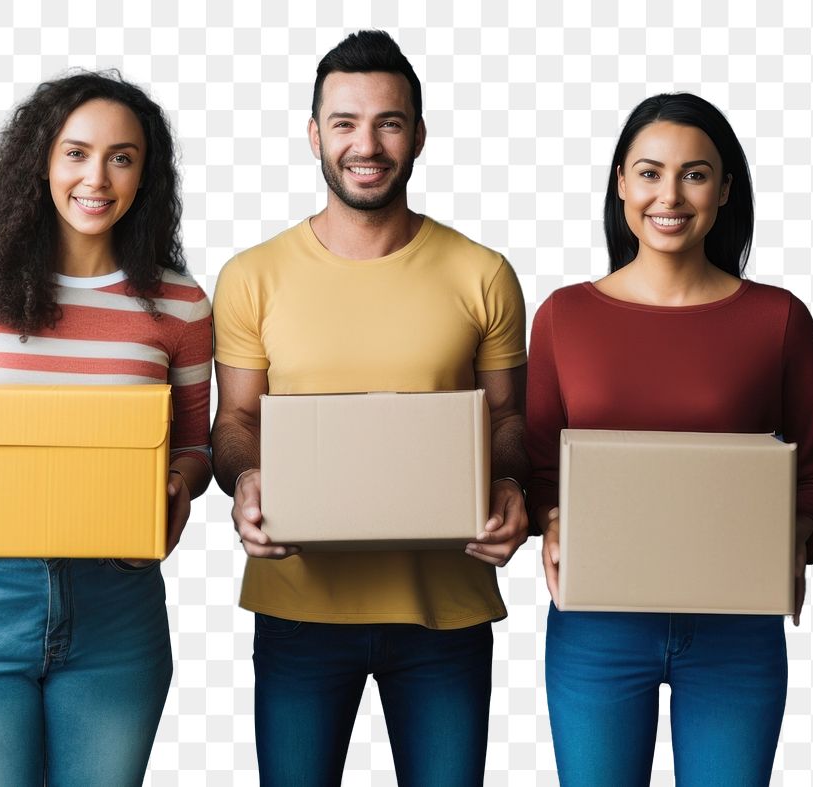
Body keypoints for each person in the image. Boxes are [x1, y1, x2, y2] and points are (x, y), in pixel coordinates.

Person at [211, 30, 529, 786]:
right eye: (346, 122)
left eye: (389, 122)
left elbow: (510, 421)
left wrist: (514, 487)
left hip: (445, 612)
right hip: (299, 608)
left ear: (418, 134)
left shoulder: (483, 273)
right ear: (314, 135)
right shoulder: (252, 276)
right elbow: (235, 422)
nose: (368, 144)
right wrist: (246, 480)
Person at [525, 93, 813, 786]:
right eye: (649, 172)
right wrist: (548, 520)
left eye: (695, 174)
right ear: (619, 183)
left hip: (737, 628)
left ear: (726, 189)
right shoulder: (563, 317)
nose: (669, 194)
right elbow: (538, 472)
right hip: (597, 628)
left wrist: (796, 530)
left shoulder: (778, 319)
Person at [0, 71, 212, 785]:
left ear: (146, 174)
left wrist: (174, 488)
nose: (96, 177)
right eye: (75, 153)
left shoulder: (181, 304)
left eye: (121, 157)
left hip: (116, 603)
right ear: (40, 161)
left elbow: (194, 447)